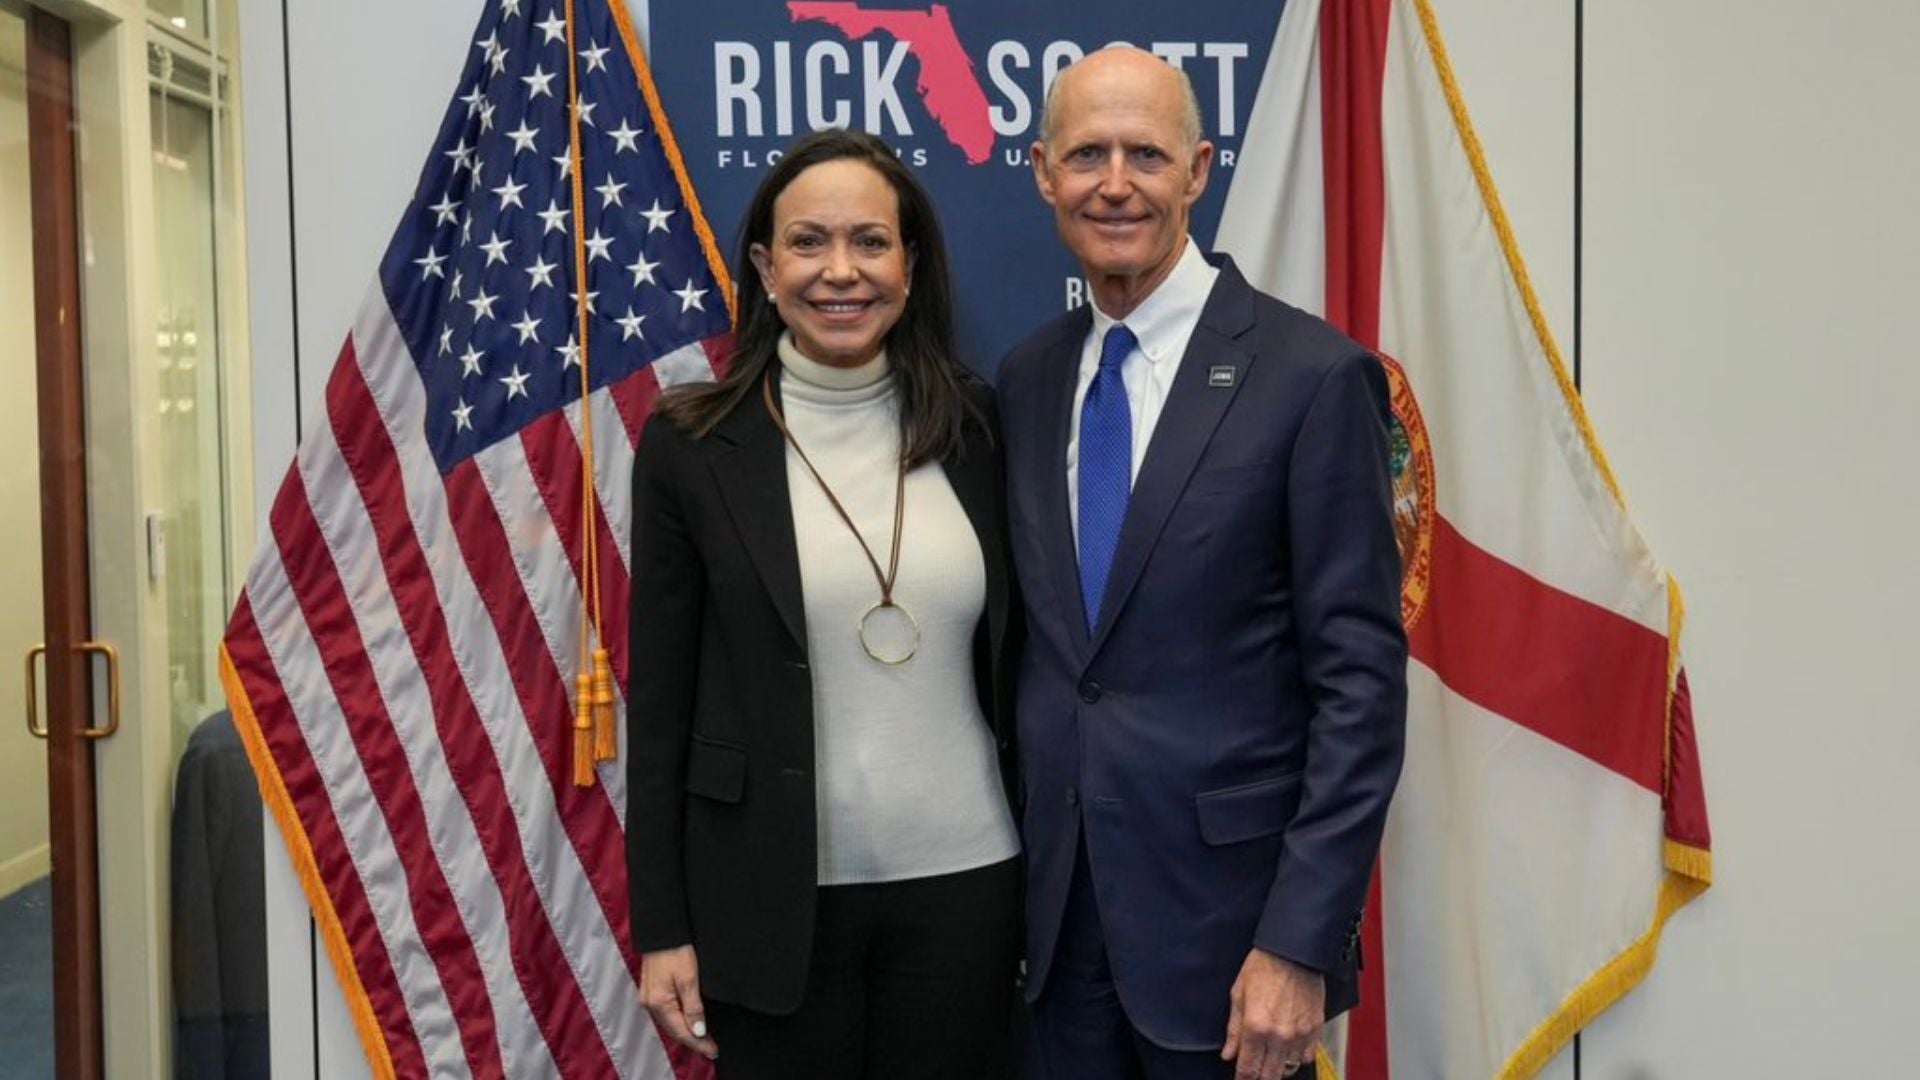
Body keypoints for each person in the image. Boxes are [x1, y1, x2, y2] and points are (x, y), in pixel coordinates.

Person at [997, 47, 1409, 1080]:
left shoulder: (1313, 379)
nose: (1116, 182)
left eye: (1147, 153)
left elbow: (1360, 689)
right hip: (1053, 943)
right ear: (1045, 173)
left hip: (1234, 953)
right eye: (1088, 154)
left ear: (1200, 169)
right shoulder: (1027, 379)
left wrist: (1299, 945)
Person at [624, 128, 1022, 1079]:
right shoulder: (689, 445)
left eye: (871, 242)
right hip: (766, 904)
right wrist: (662, 928)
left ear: (910, 264)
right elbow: (662, 705)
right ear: (764, 266)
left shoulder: (975, 425)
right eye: (808, 242)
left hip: (969, 895)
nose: (840, 271)